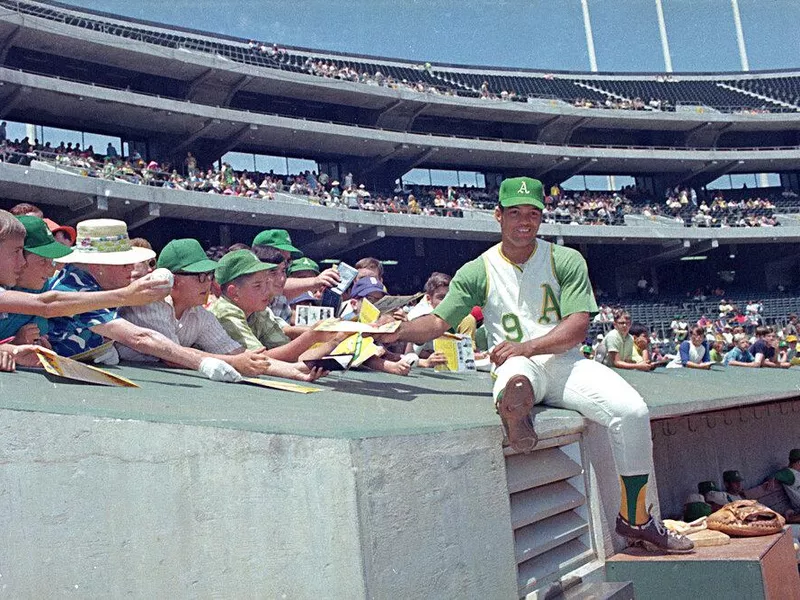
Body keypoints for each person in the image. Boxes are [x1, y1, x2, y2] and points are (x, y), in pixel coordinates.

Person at [381, 177, 692, 553]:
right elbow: (436, 323)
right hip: (516, 365)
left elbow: (578, 326)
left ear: (542, 217)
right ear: (498, 215)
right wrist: (397, 330)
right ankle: (518, 411)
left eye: (532, 213)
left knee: (632, 410)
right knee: (514, 377)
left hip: (563, 363)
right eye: (514, 213)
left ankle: (635, 518)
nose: (524, 222)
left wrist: (527, 346)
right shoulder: (478, 269)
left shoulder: (564, 258)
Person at [46, 218, 262, 381]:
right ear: (97, 267)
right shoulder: (77, 289)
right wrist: (203, 363)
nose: (131, 270)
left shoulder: (92, 283)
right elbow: (139, 338)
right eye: (124, 264)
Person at [118, 239, 324, 382]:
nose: (207, 282)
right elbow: (171, 355)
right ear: (173, 280)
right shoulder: (151, 303)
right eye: (199, 276)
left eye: (208, 275)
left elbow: (240, 354)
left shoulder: (200, 315)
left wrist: (295, 372)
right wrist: (235, 362)